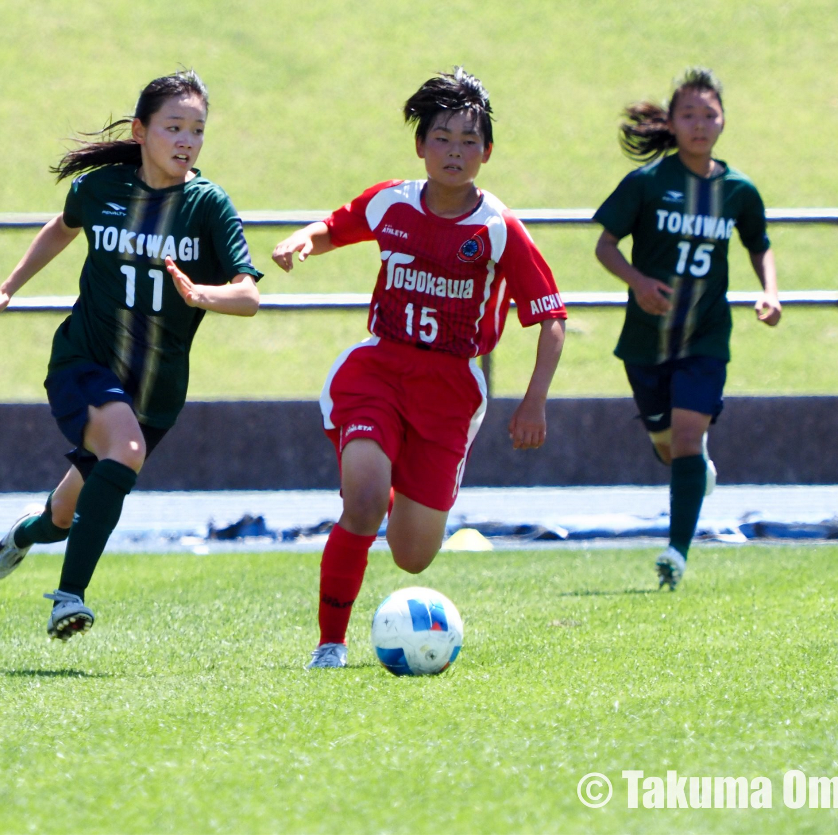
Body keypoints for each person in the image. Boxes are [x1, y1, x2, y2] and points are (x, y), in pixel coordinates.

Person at [271, 68, 567, 669]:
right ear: (420, 146)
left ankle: (397, 474)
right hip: (379, 371)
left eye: (468, 141)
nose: (454, 152)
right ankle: (330, 644)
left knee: (412, 556)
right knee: (363, 502)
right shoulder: (392, 201)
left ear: (486, 152)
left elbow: (551, 319)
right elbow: (335, 228)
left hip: (450, 390)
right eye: (442, 138)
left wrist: (533, 402)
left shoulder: (498, 228)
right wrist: (303, 239)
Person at [0, 71, 262, 638]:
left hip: (155, 389)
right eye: (174, 127)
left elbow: (248, 296)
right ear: (140, 131)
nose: (187, 141)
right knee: (125, 450)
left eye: (198, 130)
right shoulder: (101, 188)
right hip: (85, 362)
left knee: (62, 518)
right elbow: (63, 227)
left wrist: (202, 295)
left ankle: (22, 534)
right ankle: (68, 599)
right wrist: (6, 291)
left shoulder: (208, 205)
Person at [593, 68, 780, 590]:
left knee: (688, 437)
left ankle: (676, 552)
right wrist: (637, 282)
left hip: (705, 337)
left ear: (723, 122)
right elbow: (605, 245)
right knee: (668, 447)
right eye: (689, 115)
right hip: (646, 340)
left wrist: (770, 291)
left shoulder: (739, 190)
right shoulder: (648, 183)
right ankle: (693, 470)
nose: (700, 124)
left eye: (709, 115)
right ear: (671, 123)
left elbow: (759, 244)